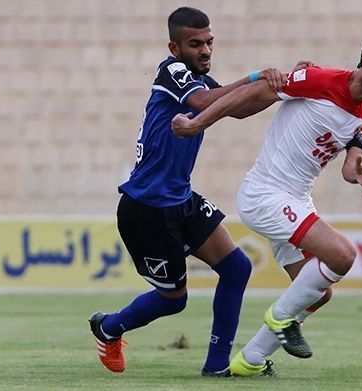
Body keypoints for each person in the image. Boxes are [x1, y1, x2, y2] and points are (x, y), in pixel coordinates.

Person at [171, 30, 362, 376]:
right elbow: (251, 94)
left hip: (297, 200)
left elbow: (351, 162)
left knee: (317, 293)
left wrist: (355, 169)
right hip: (265, 193)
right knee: (342, 255)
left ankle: (250, 361)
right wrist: (197, 124)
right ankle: (281, 317)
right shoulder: (319, 80)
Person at [88, 7, 303, 378]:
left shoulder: (200, 82)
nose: (205, 50)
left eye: (209, 42)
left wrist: (285, 87)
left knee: (236, 268)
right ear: (174, 46)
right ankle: (108, 327)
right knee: (175, 301)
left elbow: (235, 109)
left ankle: (217, 366)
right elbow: (208, 104)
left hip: (181, 199)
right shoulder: (171, 71)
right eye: (195, 44)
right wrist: (257, 78)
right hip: (146, 208)